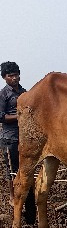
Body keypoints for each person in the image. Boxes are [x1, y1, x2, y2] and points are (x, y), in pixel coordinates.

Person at [0, 61, 26, 205]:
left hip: (24, 136)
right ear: (5, 77)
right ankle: (12, 196)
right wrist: (19, 116)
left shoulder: (24, 92)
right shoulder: (3, 94)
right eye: (11, 76)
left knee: (24, 167)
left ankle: (24, 192)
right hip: (9, 137)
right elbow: (1, 116)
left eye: (16, 75)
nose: (15, 78)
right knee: (11, 169)